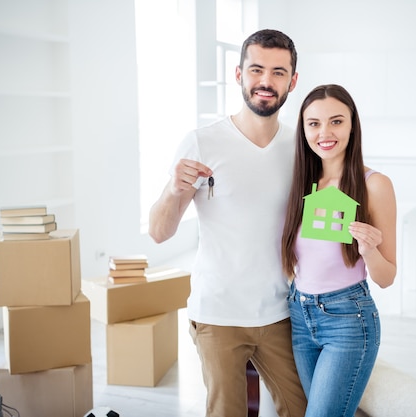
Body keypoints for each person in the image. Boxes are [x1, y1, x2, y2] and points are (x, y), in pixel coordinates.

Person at [148, 29, 307, 417]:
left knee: (301, 408)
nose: (266, 82)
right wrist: (173, 189)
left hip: (279, 311)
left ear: (293, 80)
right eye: (256, 70)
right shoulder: (203, 142)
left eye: (278, 72)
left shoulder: (300, 147)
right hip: (218, 313)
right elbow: (159, 232)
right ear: (238, 75)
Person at [281, 84, 397, 417]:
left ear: (352, 125)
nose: (324, 133)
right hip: (299, 317)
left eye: (336, 121)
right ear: (303, 129)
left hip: (348, 319)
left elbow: (387, 277)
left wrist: (368, 249)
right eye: (313, 123)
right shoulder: (301, 181)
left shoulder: (375, 184)